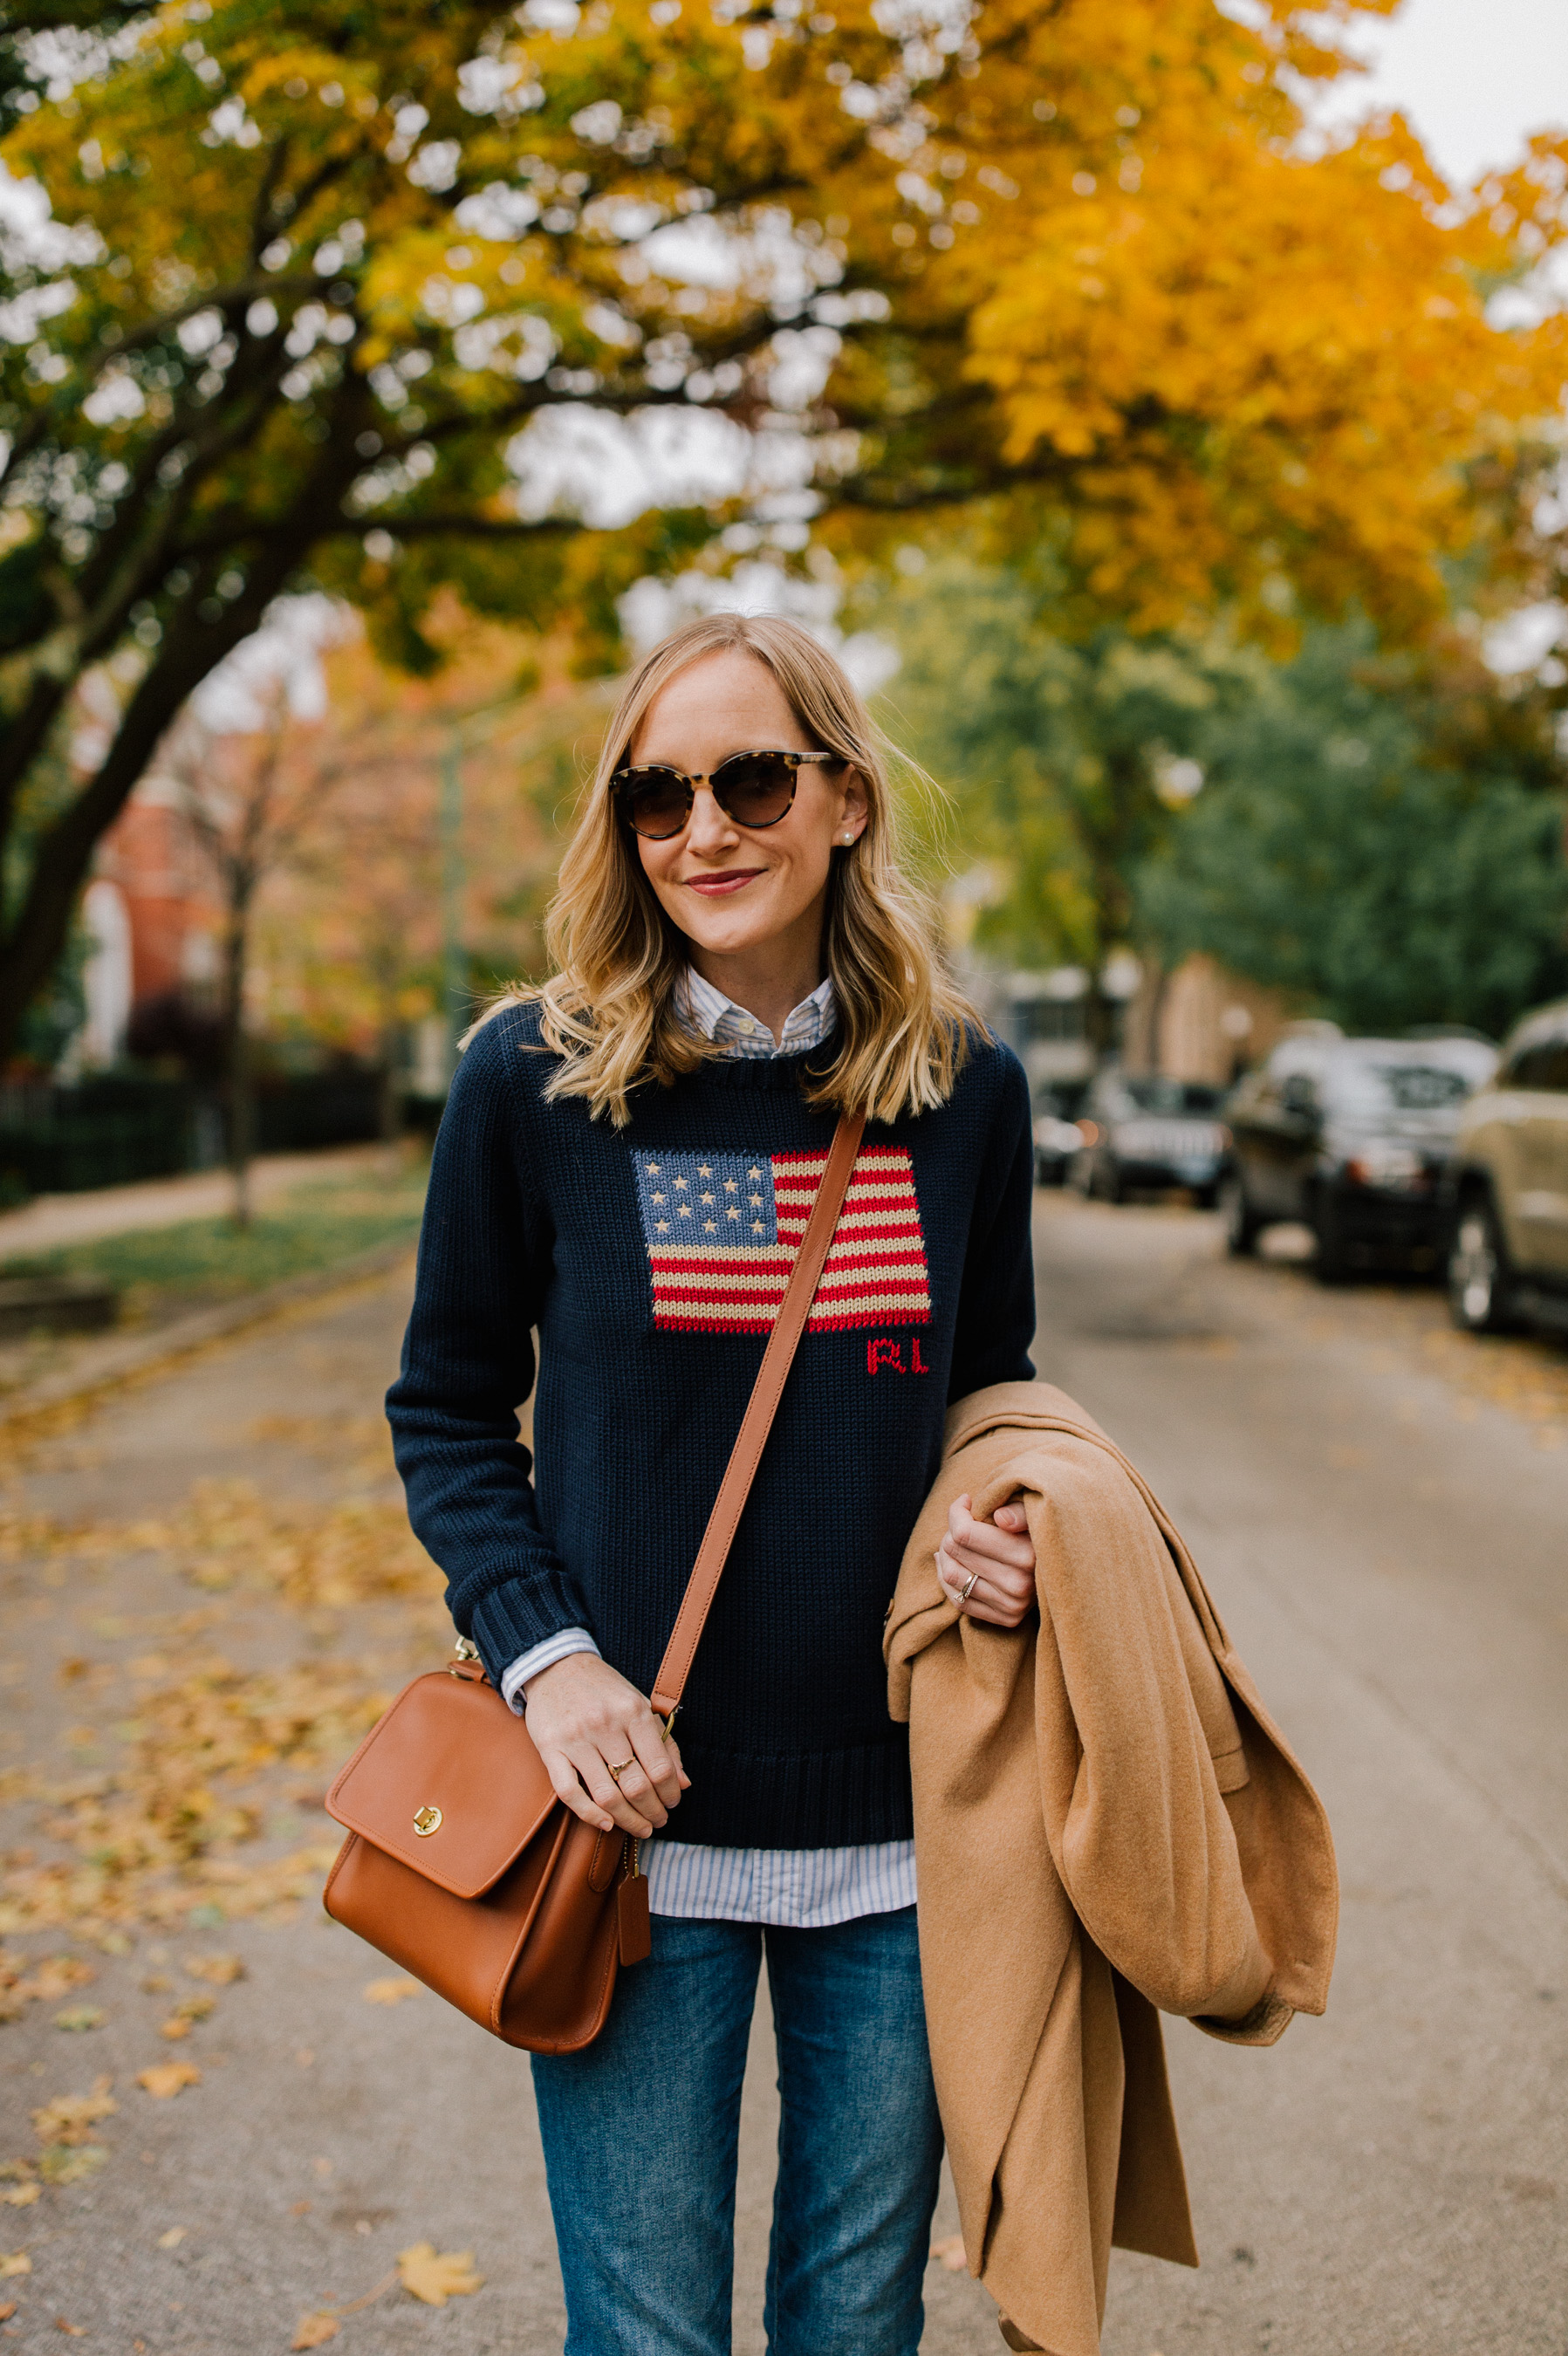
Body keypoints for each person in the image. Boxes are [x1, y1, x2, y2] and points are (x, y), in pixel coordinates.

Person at [386, 611, 1040, 2356]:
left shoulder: (964, 1093)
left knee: (854, 2321)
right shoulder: (530, 1080)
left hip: (905, 1826)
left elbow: (997, 1397)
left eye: (749, 777)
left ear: (842, 799)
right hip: (629, 1823)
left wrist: (1009, 1525)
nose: (703, 829)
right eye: (655, 793)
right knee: (651, 2331)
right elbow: (448, 1410)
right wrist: (554, 1662)